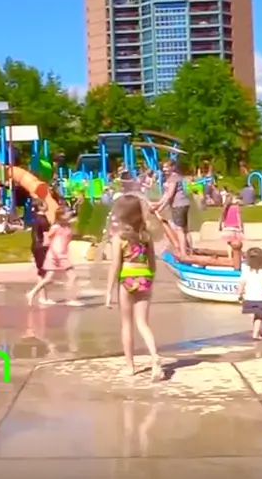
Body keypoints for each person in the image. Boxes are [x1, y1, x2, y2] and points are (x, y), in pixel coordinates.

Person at [105, 195, 162, 381]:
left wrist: (108, 291)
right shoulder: (146, 236)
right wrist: (150, 279)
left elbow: (115, 265)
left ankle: (130, 366)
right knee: (143, 323)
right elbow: (153, 262)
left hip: (127, 278)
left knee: (127, 324)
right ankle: (155, 357)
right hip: (144, 277)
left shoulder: (119, 238)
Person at [26, 208, 83, 307]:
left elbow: (69, 236)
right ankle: (71, 299)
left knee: (48, 278)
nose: (70, 214)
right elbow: (48, 238)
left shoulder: (66, 225)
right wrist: (47, 249)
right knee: (73, 276)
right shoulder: (56, 227)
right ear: (61, 216)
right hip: (58, 255)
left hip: (59, 254)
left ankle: (31, 293)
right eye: (67, 213)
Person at [151, 160, 190, 257]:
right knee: (183, 229)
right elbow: (166, 194)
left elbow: (170, 195)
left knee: (179, 230)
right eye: (164, 167)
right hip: (183, 204)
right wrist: (159, 204)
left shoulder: (173, 178)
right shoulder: (172, 177)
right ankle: (188, 250)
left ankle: (183, 253)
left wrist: (160, 208)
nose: (164, 169)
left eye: (167, 167)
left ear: (173, 167)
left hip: (178, 205)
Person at [237, 247, 262, 340]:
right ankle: (256, 334)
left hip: (249, 298)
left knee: (256, 316)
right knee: (259, 317)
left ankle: (258, 331)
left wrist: (239, 294)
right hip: (260, 299)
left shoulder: (246, 271)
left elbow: (242, 283)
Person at [30, 201, 55, 306]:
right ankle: (35, 294)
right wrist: (51, 248)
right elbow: (46, 236)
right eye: (44, 204)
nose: (47, 205)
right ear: (40, 207)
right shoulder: (43, 220)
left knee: (41, 273)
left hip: (35, 246)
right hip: (42, 247)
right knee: (47, 273)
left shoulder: (36, 218)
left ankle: (43, 297)